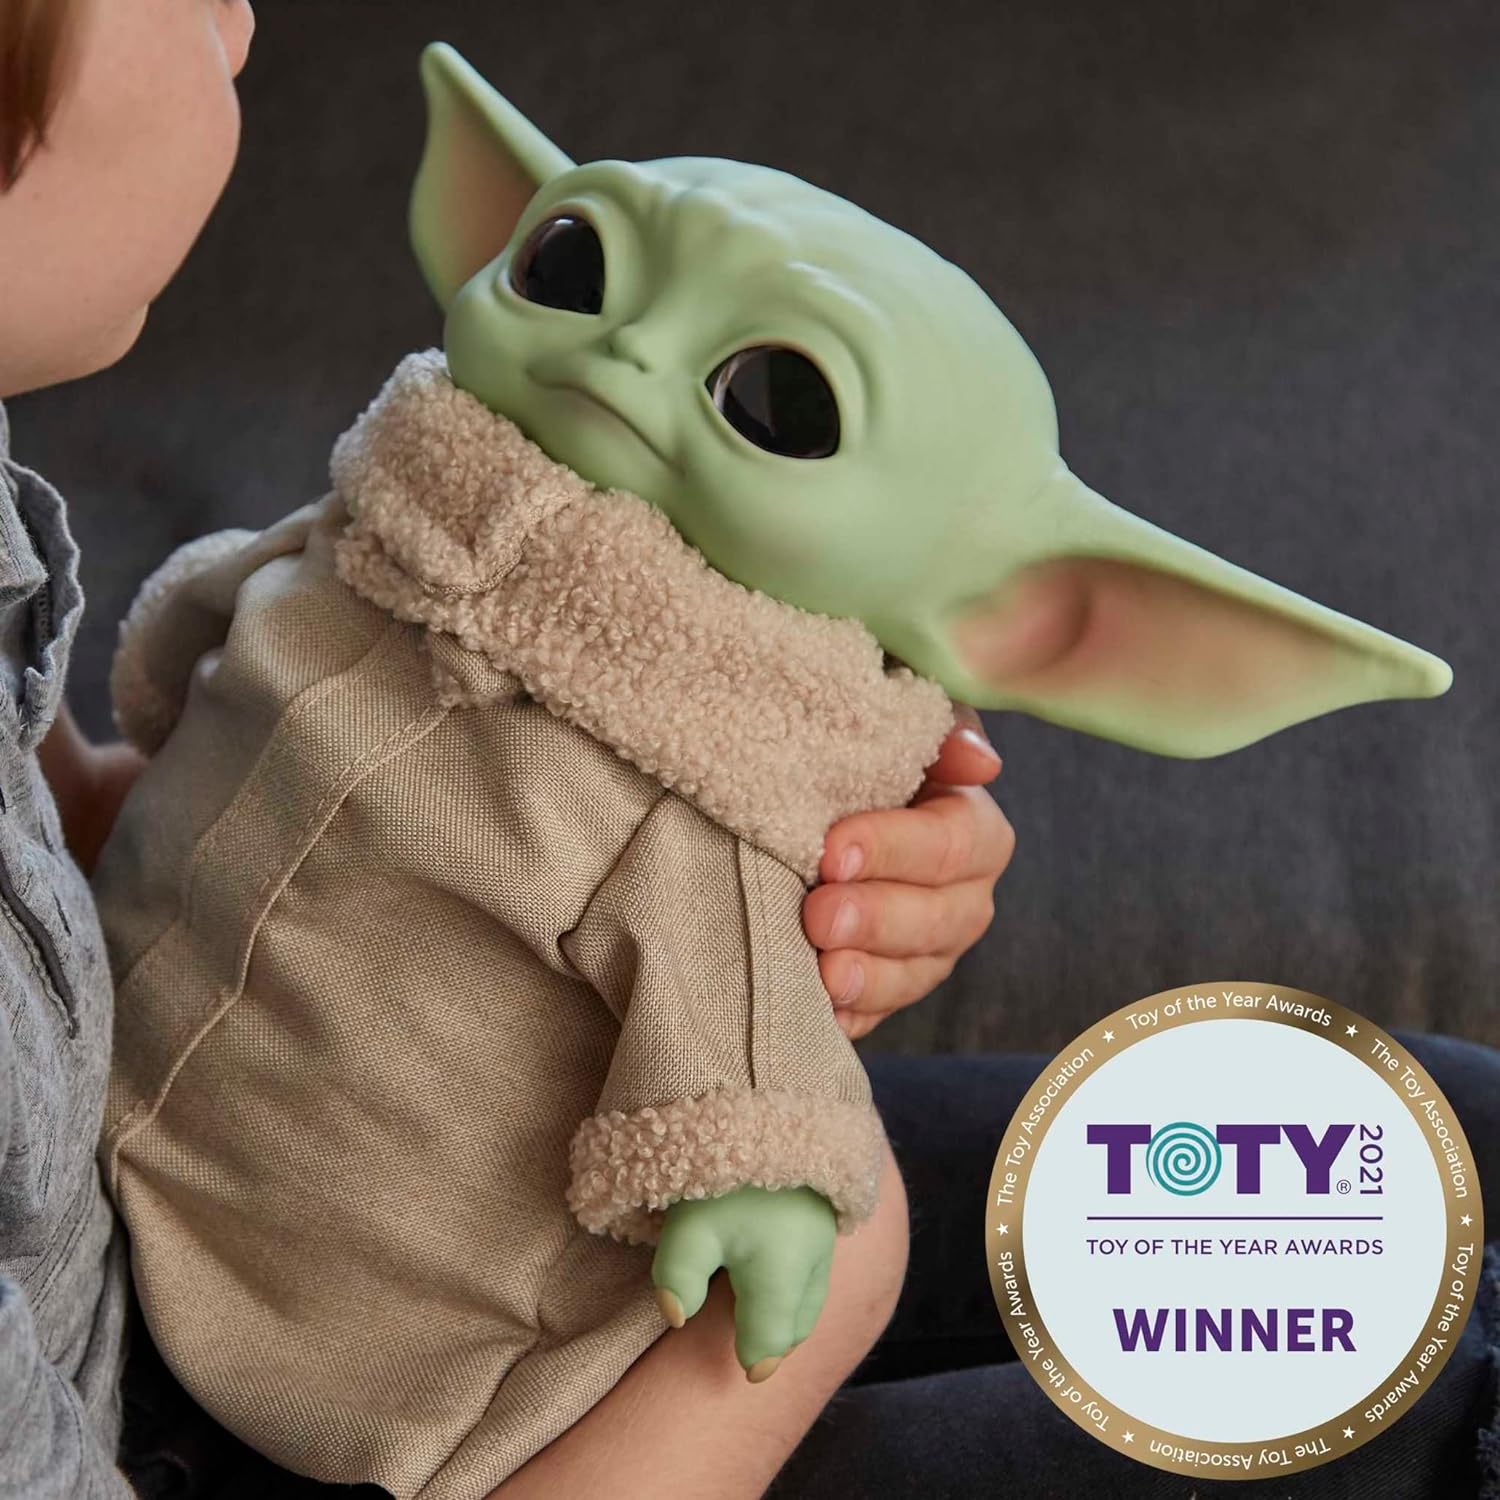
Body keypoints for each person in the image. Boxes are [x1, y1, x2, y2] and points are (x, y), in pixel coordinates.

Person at [0, 2, 1015, 1494]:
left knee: (1336, 1157)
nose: (240, 18)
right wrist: (799, 1305)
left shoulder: (353, 556)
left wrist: (805, 789)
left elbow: (91, 824)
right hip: (382, 1424)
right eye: (574, 270)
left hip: (258, 1171)